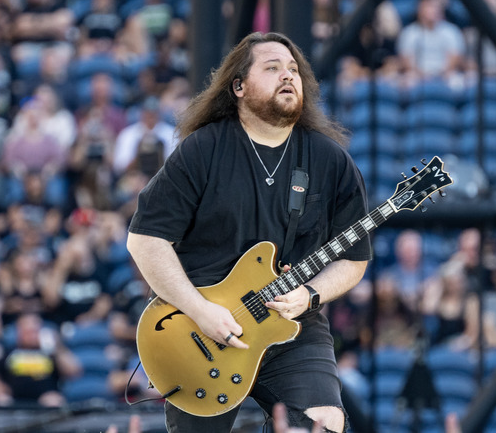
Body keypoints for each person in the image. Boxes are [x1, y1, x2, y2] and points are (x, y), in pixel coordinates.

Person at [126, 32, 372, 433]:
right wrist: (201, 310)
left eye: (293, 69)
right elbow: (145, 240)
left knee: (324, 422)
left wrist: (310, 294)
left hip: (291, 326)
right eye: (273, 68)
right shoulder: (202, 150)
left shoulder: (331, 161)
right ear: (238, 86)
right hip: (199, 328)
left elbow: (353, 259)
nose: (287, 76)